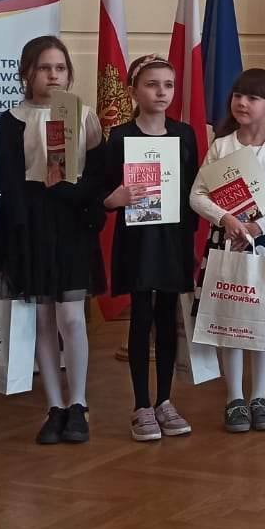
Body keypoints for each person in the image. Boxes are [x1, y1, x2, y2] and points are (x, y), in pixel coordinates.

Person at [0, 36, 105, 445]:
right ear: (27, 73)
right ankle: (54, 405)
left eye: (60, 68)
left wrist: (73, 193)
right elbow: (8, 182)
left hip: (72, 223)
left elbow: (98, 176)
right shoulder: (11, 120)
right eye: (44, 68)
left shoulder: (83, 115)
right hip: (32, 225)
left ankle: (78, 403)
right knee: (43, 318)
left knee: (72, 318)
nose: (53, 75)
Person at [86, 55, 200, 442]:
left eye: (168, 85)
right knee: (141, 318)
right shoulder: (119, 137)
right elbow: (101, 191)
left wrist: (191, 242)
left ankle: (165, 399)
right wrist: (114, 199)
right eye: (152, 85)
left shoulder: (184, 135)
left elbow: (192, 191)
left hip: (173, 239)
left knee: (168, 317)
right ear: (134, 91)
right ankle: (141, 405)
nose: (161, 92)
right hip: (138, 241)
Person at [190, 67, 265, 434]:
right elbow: (197, 195)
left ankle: (259, 396)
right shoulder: (222, 145)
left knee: (261, 321)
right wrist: (226, 219)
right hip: (226, 241)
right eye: (238, 95)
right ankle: (234, 397)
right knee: (231, 317)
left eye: (252, 97)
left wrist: (256, 227)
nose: (242, 102)